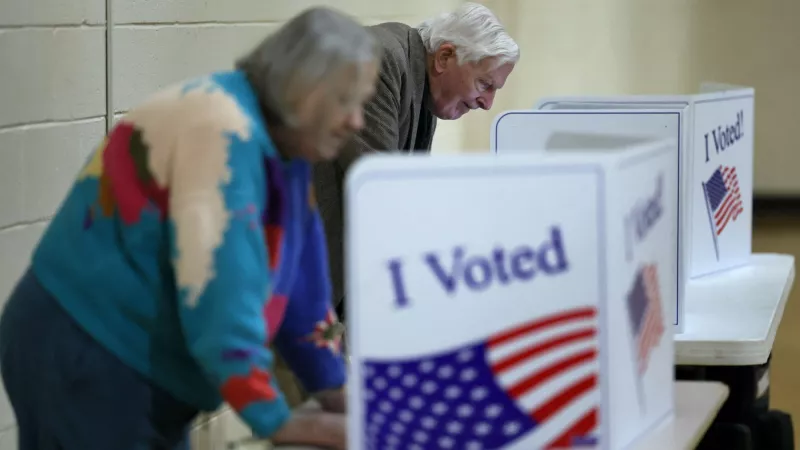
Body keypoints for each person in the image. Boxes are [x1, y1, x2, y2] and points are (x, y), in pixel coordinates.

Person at [0, 6, 378, 450]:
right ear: (303, 88)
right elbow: (219, 293)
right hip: (88, 347)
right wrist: (276, 420)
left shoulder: (289, 146)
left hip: (141, 361)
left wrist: (337, 391)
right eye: (345, 101)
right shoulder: (221, 131)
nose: (358, 122)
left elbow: (302, 284)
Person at [313, 2, 520, 322]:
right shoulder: (378, 60)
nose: (487, 103)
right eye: (485, 84)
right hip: (296, 276)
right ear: (445, 57)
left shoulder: (419, 81)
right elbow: (383, 191)